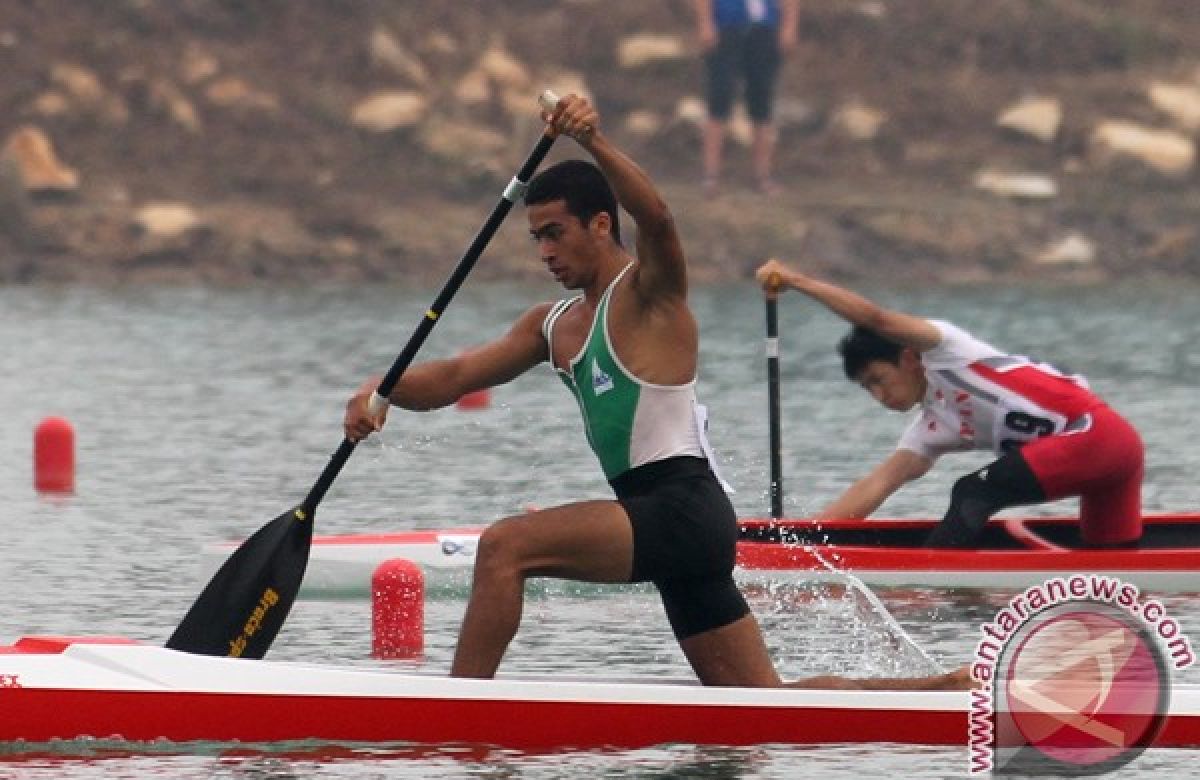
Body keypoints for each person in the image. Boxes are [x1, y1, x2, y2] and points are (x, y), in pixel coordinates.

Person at [345, 95, 968, 691]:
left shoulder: (650, 295)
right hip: (667, 524)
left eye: (556, 232)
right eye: (536, 237)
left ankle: (463, 712)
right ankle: (938, 692)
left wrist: (593, 139)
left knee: (506, 548)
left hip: (681, 509)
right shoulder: (551, 325)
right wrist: (383, 389)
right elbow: (454, 379)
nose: (545, 251)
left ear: (600, 223)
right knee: (759, 705)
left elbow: (661, 219)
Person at [755, 259, 1145, 548]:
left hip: (1099, 436)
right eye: (867, 389)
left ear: (908, 359)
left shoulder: (948, 350)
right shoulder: (932, 428)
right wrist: (800, 541)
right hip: (1113, 459)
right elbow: (878, 484)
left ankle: (937, 595)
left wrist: (798, 281)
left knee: (971, 492)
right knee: (1116, 571)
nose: (879, 396)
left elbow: (877, 319)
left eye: (878, 380)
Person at [693, 0, 800, 196]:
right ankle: (711, 176)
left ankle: (762, 176)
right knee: (719, 99)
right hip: (725, 27)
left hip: (764, 29)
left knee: (762, 103)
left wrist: (789, 25)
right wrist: (705, 23)